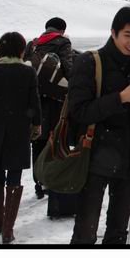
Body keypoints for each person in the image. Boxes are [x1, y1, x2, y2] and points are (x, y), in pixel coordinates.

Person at [67, 6, 130, 244]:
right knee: (85, 231)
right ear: (114, 32)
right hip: (95, 160)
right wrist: (120, 98)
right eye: (128, 35)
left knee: (118, 232)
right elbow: (79, 111)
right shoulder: (90, 62)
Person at [0, 31, 41, 243]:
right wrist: (37, 123)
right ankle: (8, 230)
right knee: (14, 177)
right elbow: (34, 102)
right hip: (19, 131)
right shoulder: (27, 72)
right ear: (22, 50)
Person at [25, 17, 75, 201]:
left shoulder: (33, 44)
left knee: (38, 139)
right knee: (55, 138)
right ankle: (51, 179)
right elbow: (69, 67)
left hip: (35, 99)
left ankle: (38, 182)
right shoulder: (62, 42)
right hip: (55, 100)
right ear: (62, 30)